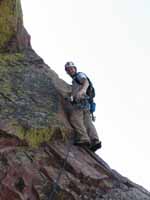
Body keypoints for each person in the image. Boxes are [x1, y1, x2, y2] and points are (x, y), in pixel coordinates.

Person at [65, 61, 101, 152]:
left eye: (72, 69)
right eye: (68, 70)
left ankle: (83, 138)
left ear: (75, 69)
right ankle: (95, 141)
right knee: (87, 121)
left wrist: (82, 91)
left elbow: (86, 82)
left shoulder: (79, 75)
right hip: (87, 103)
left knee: (75, 118)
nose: (70, 71)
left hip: (81, 100)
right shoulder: (75, 81)